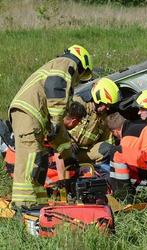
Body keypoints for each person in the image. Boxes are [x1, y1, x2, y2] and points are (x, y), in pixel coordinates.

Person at [9, 44, 93, 209]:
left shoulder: (58, 68)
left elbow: (59, 130)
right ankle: (23, 205)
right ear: (82, 64)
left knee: (40, 161)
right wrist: (55, 120)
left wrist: (68, 156)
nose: (78, 80)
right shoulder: (66, 63)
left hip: (32, 115)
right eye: (81, 75)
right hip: (28, 113)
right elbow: (55, 87)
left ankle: (38, 203)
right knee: (31, 159)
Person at [69, 77, 121, 166]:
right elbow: (56, 124)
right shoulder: (75, 103)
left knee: (108, 149)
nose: (108, 108)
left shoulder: (104, 120)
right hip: (60, 147)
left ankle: (95, 173)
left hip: (80, 154)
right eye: (106, 104)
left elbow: (107, 143)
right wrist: (68, 141)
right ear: (98, 98)